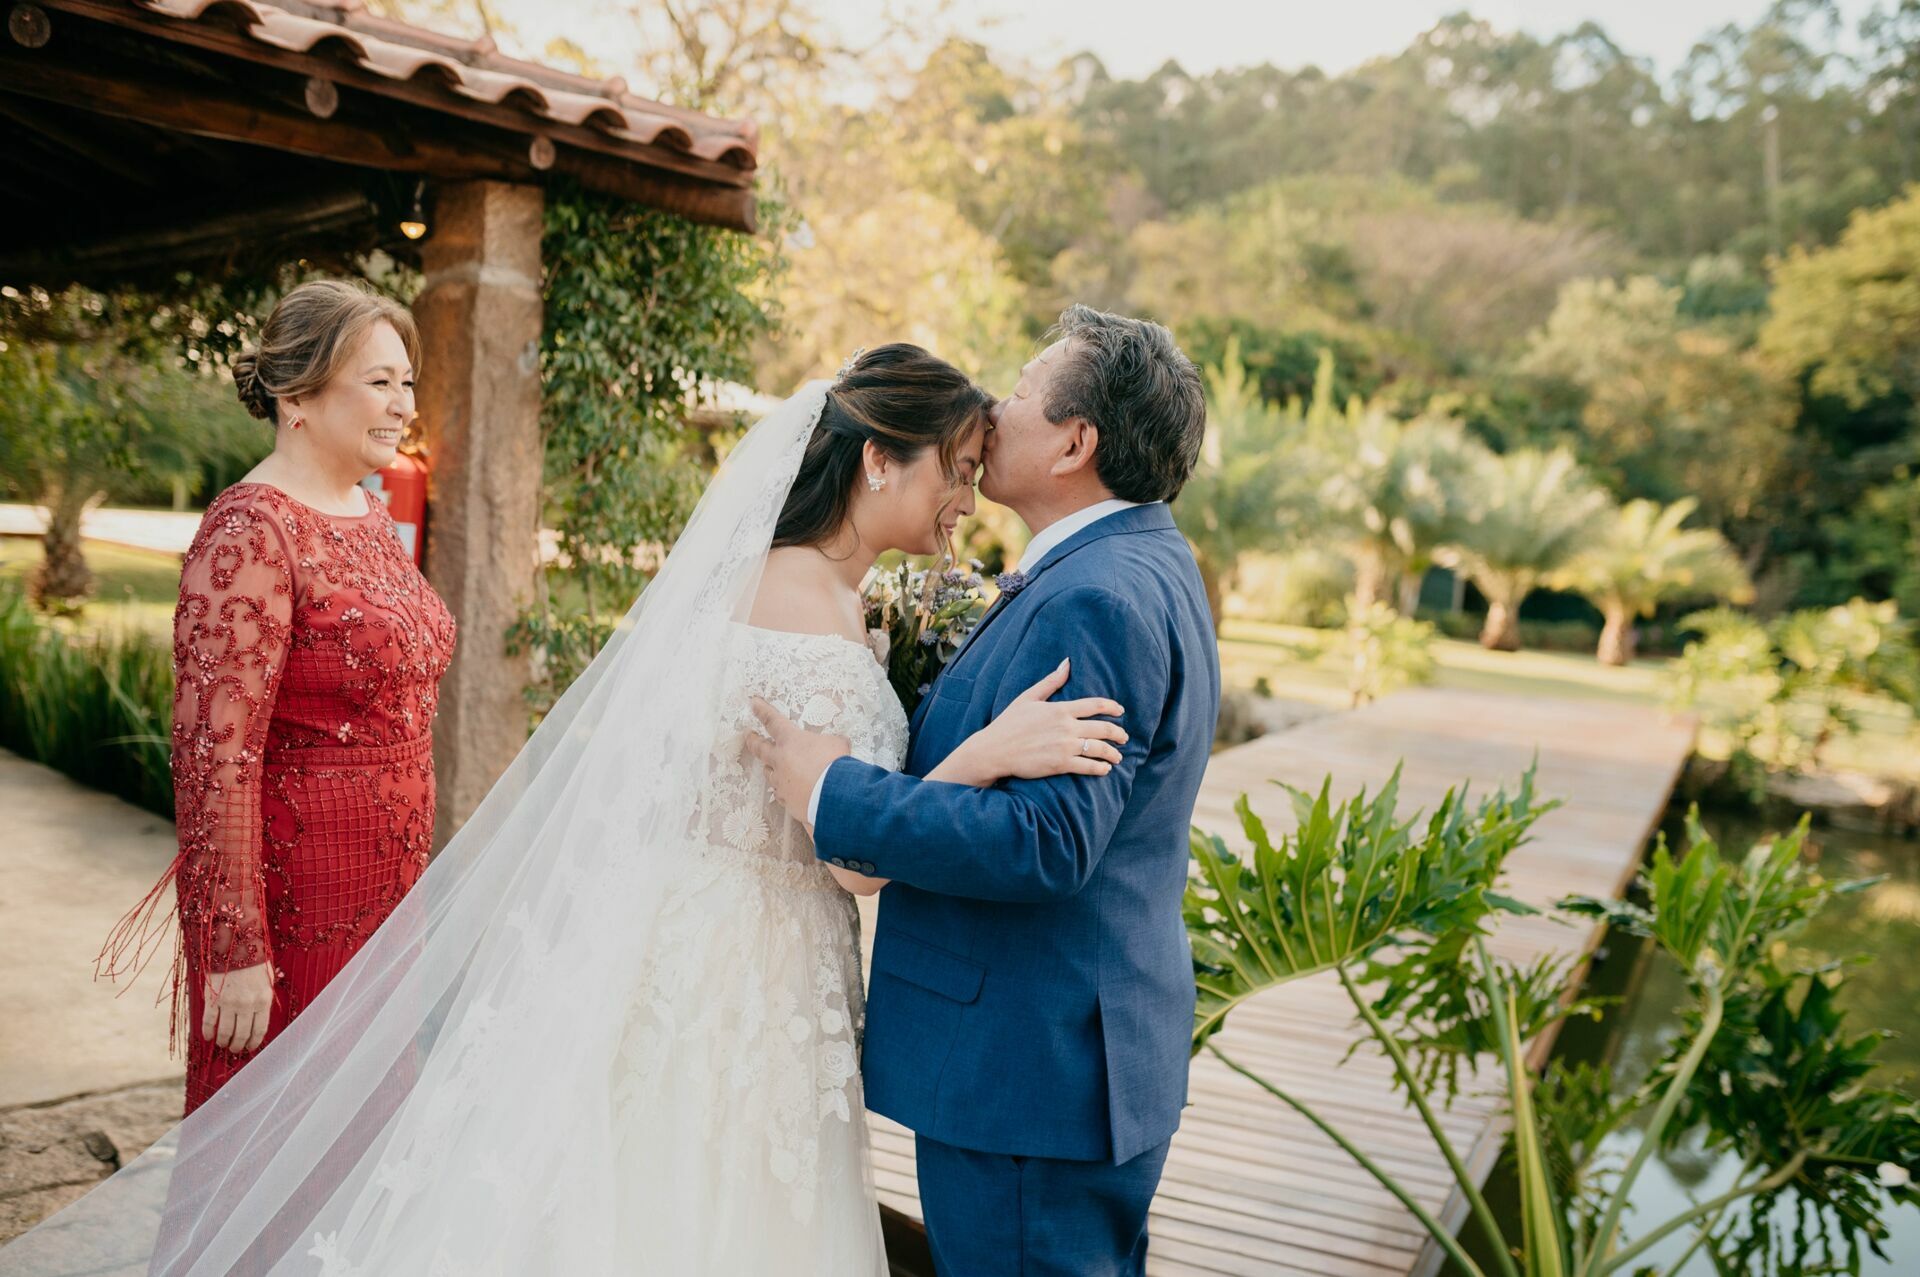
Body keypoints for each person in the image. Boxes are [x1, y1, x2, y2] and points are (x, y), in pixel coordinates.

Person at [1, 344, 1122, 1276]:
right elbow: (852, 860)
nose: (967, 500)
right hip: (758, 972)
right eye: (957, 471)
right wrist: (978, 756)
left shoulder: (787, 587)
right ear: (881, 460)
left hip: (683, 936)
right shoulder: (818, 620)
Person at [749, 305, 1220, 1276]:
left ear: (1075, 443)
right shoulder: (1130, 564)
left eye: (1019, 393)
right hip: (1057, 1061)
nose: (993, 413)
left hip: (1029, 1074)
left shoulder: (1094, 595)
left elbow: (1043, 842)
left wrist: (833, 790)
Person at [100, 278, 456, 1116]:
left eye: (407, 382)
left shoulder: (370, 515)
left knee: (367, 1131)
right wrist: (232, 945)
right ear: (298, 394)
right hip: (295, 905)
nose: (405, 404)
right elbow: (213, 757)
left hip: (391, 893)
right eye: (380, 381)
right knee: (277, 1140)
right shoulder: (251, 530)